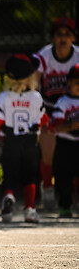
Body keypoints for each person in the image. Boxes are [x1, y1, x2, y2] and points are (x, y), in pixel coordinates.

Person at [0, 54, 45, 223]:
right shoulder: (36, 98)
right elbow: (41, 122)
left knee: (10, 176)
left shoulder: (4, 97)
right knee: (29, 178)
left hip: (11, 142)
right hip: (30, 142)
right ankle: (29, 209)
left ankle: (9, 196)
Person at [34, 17, 79, 210]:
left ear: (73, 38)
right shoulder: (43, 57)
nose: (63, 39)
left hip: (76, 109)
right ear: (53, 38)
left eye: (67, 35)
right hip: (50, 107)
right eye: (59, 34)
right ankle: (48, 187)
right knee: (49, 151)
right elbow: (33, 87)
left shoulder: (78, 57)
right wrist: (39, 114)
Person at [50, 63, 79, 218]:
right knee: (63, 177)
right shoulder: (63, 102)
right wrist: (71, 126)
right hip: (66, 144)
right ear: (68, 83)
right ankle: (65, 207)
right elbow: (55, 126)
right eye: (76, 83)